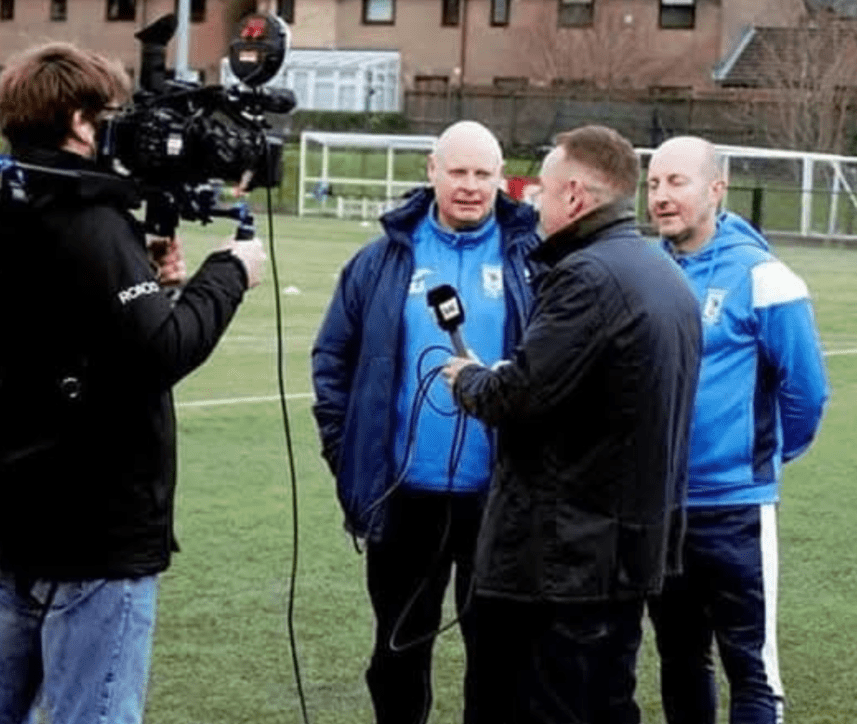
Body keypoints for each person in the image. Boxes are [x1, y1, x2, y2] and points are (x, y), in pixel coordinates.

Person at [0, 42, 266, 724]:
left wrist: (150, 284)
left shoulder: (3, 203)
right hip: (96, 536)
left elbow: (79, 331)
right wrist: (231, 272)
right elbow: (161, 353)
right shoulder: (91, 220)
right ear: (77, 121)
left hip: (17, 522)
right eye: (109, 115)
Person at [442, 124, 702, 724]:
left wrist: (468, 379)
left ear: (577, 197)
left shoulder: (588, 278)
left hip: (564, 562)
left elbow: (519, 395)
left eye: (544, 188)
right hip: (622, 552)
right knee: (605, 701)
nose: (533, 200)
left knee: (539, 704)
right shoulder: (661, 274)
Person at [311, 120, 539, 724]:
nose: (469, 186)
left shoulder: (531, 260)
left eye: (482, 173)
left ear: (501, 178)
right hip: (403, 494)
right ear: (431, 172)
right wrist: (347, 453)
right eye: (457, 171)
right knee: (397, 657)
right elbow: (332, 359)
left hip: (501, 500)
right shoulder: (381, 260)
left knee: (498, 660)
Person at [645, 136, 830, 724]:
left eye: (677, 182)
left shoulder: (765, 277)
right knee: (680, 659)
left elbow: (807, 391)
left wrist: (758, 459)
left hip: (736, 512)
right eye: (653, 184)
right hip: (663, 510)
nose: (662, 197)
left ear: (716, 189)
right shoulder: (648, 273)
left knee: (752, 672)